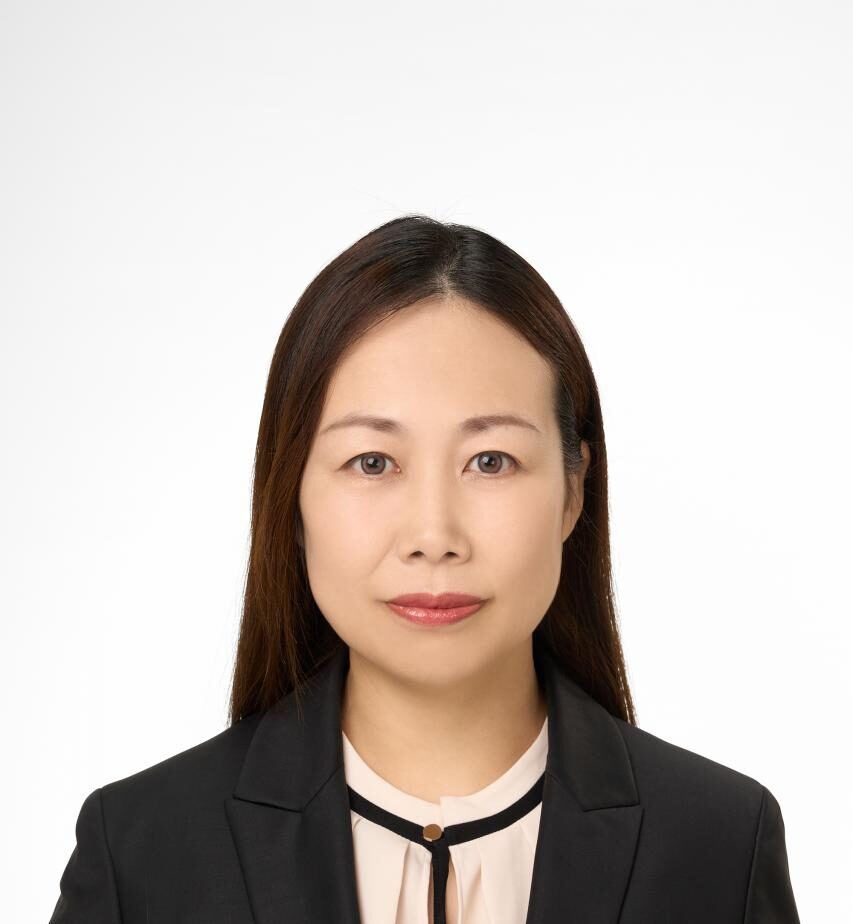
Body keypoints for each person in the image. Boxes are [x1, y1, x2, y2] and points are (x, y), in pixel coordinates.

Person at [49, 216, 800, 923]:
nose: (433, 536)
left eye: (490, 461)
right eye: (372, 462)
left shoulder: (719, 845)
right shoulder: (143, 850)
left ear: (574, 490)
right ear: (291, 495)